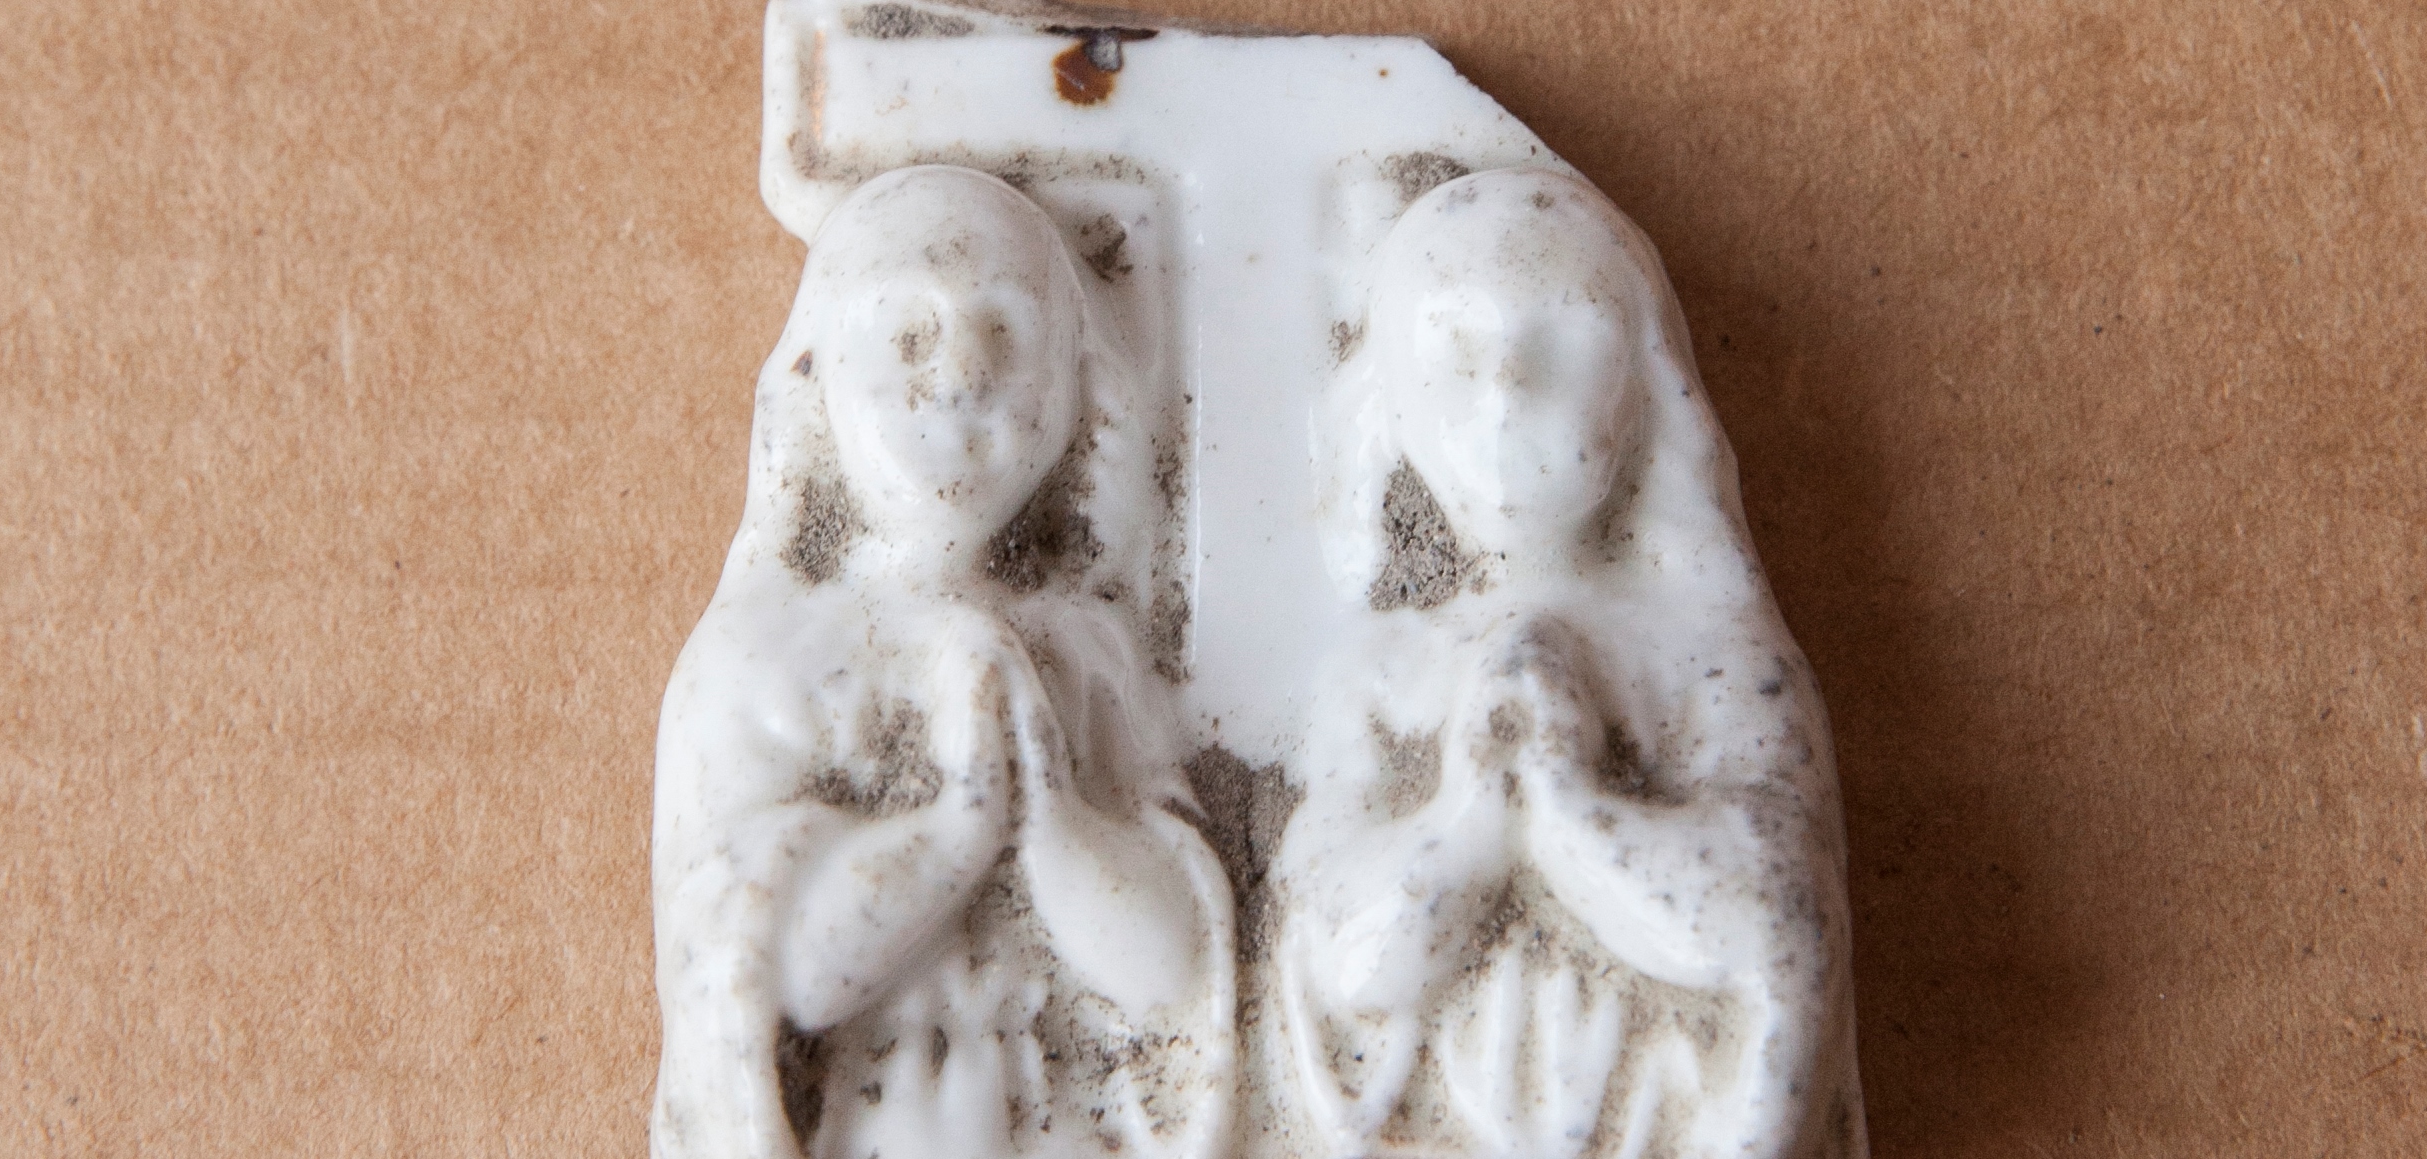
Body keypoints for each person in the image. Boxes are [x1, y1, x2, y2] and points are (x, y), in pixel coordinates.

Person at [1275, 169, 1863, 1159]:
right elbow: (1343, 959)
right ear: (1387, 403)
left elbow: (1785, 919)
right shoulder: (1377, 676)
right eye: (1454, 353)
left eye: (1564, 342)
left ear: (1643, 384)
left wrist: (1568, 811)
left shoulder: (1711, 650)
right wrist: (1476, 811)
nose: (1506, 394)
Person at [652, 166, 1233, 1159]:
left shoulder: (1091, 660)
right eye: (908, 336)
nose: (962, 377)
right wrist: (956, 830)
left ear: (1076, 389)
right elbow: (756, 968)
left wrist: (1052, 822)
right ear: (819, 379)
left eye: (1007, 331)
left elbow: (1174, 972)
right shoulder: (760, 659)